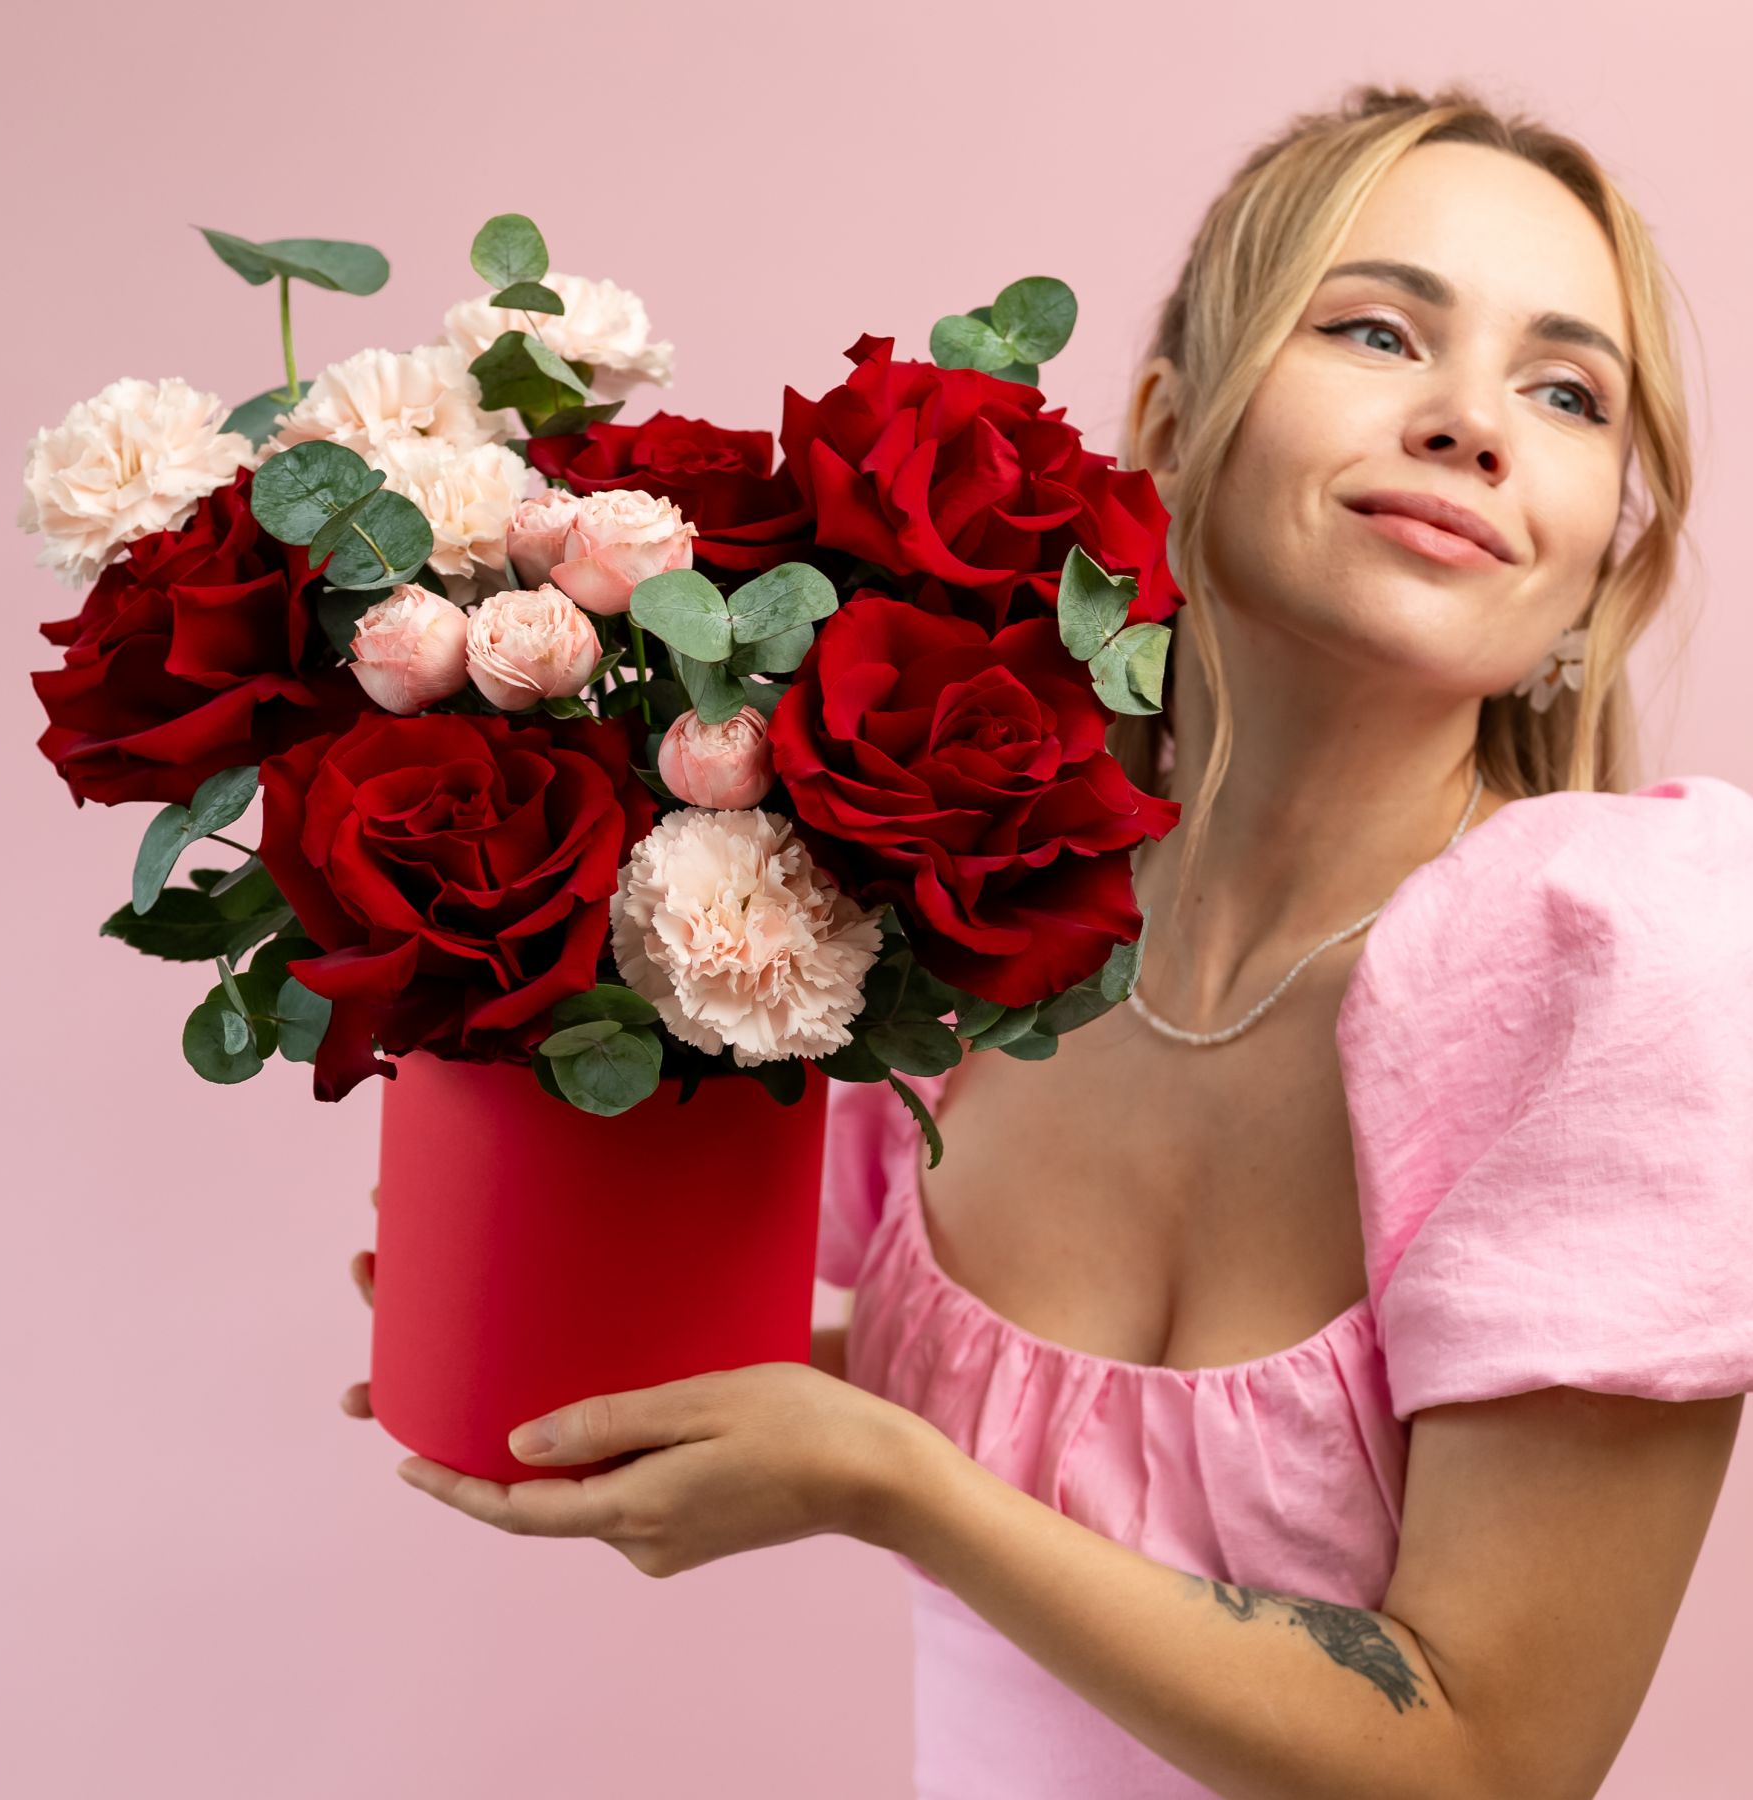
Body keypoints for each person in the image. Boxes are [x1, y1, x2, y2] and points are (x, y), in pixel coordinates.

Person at [347, 83, 1753, 1800]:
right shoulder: (971, 899)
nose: (1473, 423)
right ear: (1171, 417)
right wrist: (577, 1342)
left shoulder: (1620, 976)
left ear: (1605, 554)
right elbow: (1042, 1430)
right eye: (1379, 331)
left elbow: (1496, 1761)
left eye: (1567, 392)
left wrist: (887, 1485)